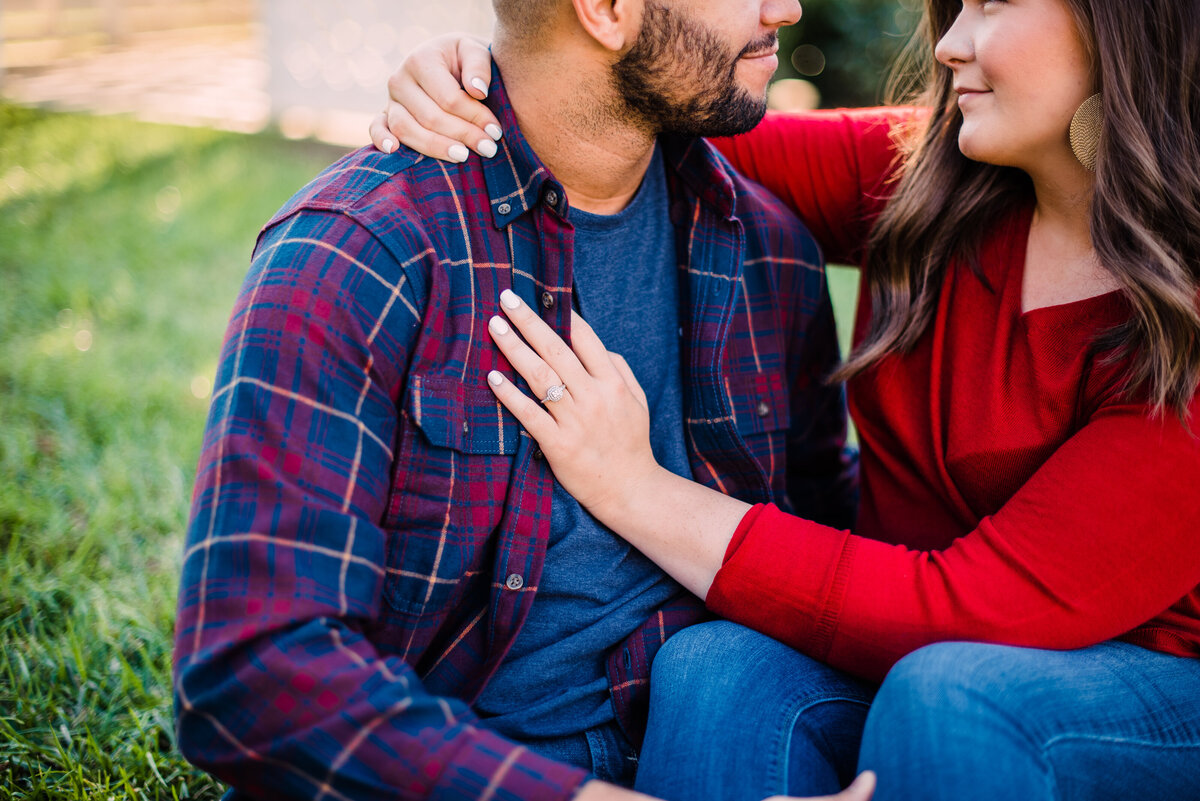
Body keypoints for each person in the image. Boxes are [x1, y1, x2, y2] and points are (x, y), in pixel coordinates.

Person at [371, 0, 1200, 799]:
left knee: (953, 696)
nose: (950, 46)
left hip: (1140, 688)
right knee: (714, 666)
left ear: (1119, 25)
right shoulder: (933, 174)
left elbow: (968, 609)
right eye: (954, 9)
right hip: (907, 653)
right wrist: (480, 81)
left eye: (995, 5)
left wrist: (637, 488)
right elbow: (655, 107)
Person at [172, 1, 871, 800]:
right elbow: (254, 671)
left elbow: (824, 539)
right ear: (606, 11)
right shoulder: (359, 252)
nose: (787, 8)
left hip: (712, 729)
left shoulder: (768, 247)